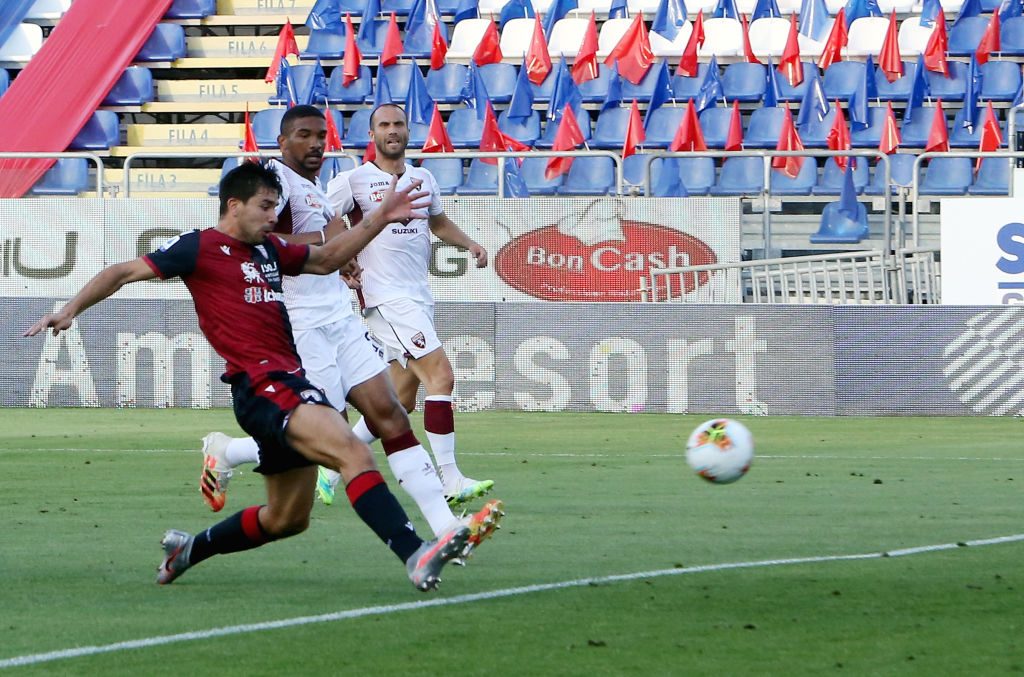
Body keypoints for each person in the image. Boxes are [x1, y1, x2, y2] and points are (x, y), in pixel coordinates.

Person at [24, 162, 469, 592]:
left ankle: (189, 549)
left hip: (285, 383)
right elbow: (121, 272)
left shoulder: (269, 249)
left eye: (277, 206)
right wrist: (68, 311)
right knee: (352, 451)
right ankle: (415, 553)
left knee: (287, 519)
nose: (274, 216)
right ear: (234, 205)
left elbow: (329, 256)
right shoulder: (198, 248)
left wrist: (379, 216)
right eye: (266, 206)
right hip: (262, 387)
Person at [199, 106, 502, 552]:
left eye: (322, 135)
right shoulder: (278, 185)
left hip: (343, 317)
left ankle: (446, 528)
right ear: (283, 141)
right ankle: (229, 452)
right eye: (304, 135)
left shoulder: (319, 189)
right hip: (305, 326)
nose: (316, 143)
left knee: (393, 413)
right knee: (335, 435)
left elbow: (332, 247)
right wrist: (331, 245)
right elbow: (258, 242)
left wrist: (346, 266)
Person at [321, 103, 492, 508]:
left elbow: (436, 222)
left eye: (398, 123)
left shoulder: (423, 177)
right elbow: (324, 217)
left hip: (417, 296)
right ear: (373, 133)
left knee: (400, 402)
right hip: (384, 298)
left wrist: (469, 244)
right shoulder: (354, 181)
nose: (392, 130)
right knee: (442, 377)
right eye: (384, 125)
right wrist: (343, 258)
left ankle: (329, 467)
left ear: (407, 131)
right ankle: (449, 479)